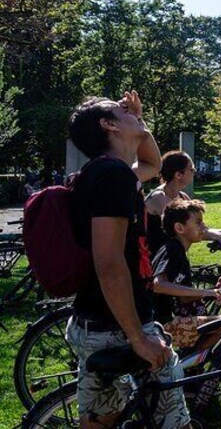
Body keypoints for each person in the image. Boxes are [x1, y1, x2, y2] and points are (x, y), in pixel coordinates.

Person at [67, 91, 190, 429]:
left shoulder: (111, 172)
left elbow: (153, 163)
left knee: (100, 420)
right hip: (119, 325)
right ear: (108, 125)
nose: (133, 113)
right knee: (174, 422)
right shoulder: (113, 176)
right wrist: (139, 338)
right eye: (122, 112)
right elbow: (109, 263)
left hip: (94, 320)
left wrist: (139, 120)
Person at [152, 199, 221, 352]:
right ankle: (190, 366)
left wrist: (216, 290)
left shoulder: (178, 250)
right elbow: (158, 285)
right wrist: (206, 292)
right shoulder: (172, 250)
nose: (204, 227)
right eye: (198, 222)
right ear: (180, 228)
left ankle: (190, 363)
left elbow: (183, 296)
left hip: (170, 321)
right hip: (161, 326)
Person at [145, 150, 221, 256]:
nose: (194, 170)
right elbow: (189, 230)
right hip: (155, 263)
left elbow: (200, 229)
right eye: (191, 168)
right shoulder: (159, 197)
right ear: (178, 174)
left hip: (173, 257)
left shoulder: (183, 197)